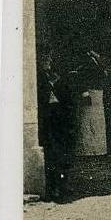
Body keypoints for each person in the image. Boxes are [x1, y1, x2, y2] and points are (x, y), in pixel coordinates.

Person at [35, 45, 75, 201]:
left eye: (49, 57)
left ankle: (63, 184)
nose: (47, 61)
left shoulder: (56, 74)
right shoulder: (37, 76)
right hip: (47, 120)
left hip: (59, 119)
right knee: (51, 154)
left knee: (63, 153)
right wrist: (51, 85)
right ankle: (53, 187)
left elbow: (66, 95)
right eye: (44, 58)